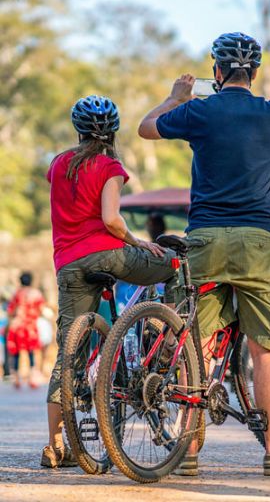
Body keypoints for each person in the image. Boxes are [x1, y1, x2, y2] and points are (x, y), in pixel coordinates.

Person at [138, 32, 270, 477]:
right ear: (254, 73)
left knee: (194, 343)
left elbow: (145, 127)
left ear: (215, 72)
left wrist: (174, 97)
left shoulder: (198, 110)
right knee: (265, 348)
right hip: (257, 239)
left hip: (206, 237)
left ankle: (188, 452)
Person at [42, 96, 177, 469]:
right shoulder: (109, 166)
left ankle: (55, 446)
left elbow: (58, 186)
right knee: (174, 264)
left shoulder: (57, 164)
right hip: (108, 254)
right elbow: (112, 219)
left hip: (68, 265)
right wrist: (138, 242)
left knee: (68, 354)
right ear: (112, 132)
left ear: (79, 130)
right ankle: (166, 333)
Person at [8, 273, 46, 391]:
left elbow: (11, 310)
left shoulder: (17, 293)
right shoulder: (37, 294)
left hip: (17, 326)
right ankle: (32, 378)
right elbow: (41, 309)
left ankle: (16, 379)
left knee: (16, 353)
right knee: (31, 352)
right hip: (30, 327)